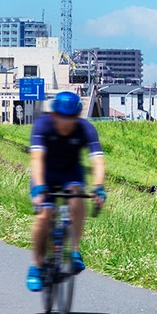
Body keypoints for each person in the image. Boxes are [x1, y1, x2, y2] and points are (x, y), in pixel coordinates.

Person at [26, 91, 106, 292]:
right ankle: (36, 266)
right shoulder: (43, 125)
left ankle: (74, 251)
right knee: (44, 214)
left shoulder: (86, 129)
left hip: (71, 173)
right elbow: (37, 159)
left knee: (77, 197)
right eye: (62, 117)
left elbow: (98, 161)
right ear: (54, 114)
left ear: (77, 116)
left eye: (71, 118)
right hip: (46, 172)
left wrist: (98, 187)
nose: (66, 122)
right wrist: (38, 188)